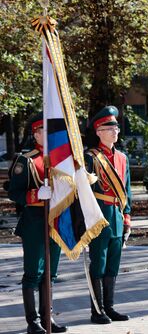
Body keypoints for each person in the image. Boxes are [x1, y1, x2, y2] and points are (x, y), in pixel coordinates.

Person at [8, 113, 68, 333]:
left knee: (50, 274)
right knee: (33, 273)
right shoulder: (27, 160)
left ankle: (47, 318)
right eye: (44, 131)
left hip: (56, 221)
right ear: (35, 134)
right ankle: (32, 321)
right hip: (34, 223)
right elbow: (14, 192)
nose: (49, 135)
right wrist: (35, 195)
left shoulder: (60, 159)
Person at [85, 106, 131, 324]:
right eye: (109, 128)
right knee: (99, 263)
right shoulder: (91, 158)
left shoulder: (122, 158)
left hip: (118, 217)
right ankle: (97, 310)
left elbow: (127, 191)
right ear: (98, 131)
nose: (115, 132)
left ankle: (109, 307)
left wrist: (128, 218)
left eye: (116, 128)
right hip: (99, 216)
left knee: (113, 263)